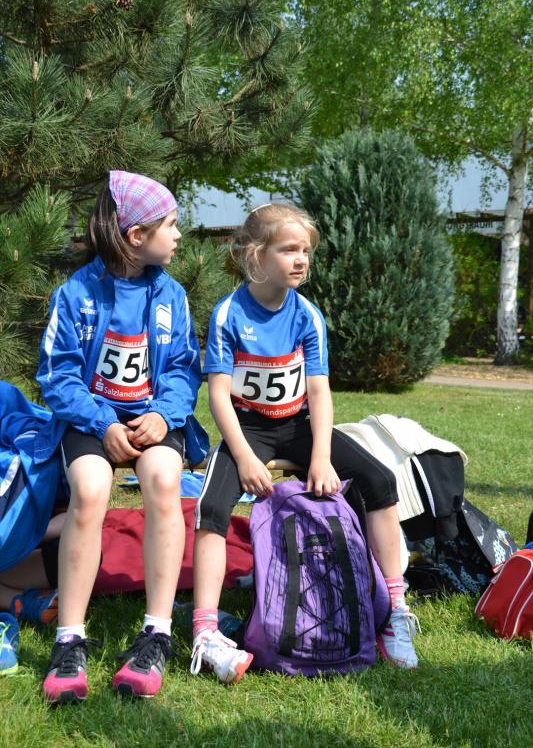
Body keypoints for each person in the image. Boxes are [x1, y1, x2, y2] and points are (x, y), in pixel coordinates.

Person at [190, 202, 419, 684]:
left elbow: (318, 392)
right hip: (248, 429)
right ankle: (205, 632)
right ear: (256, 254)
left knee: (379, 481)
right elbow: (218, 395)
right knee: (210, 505)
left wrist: (320, 456)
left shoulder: (307, 316)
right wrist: (245, 457)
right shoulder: (228, 313)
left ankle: (393, 610)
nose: (301, 260)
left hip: (298, 427)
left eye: (306, 251)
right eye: (288, 249)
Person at [35, 171, 205, 703]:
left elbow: (183, 368)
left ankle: (157, 632)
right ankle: (70, 638)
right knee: (89, 490)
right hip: (93, 422)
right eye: (171, 225)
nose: (179, 235)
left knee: (164, 481)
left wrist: (164, 415)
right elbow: (58, 375)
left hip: (153, 420)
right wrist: (102, 423)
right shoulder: (75, 294)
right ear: (136, 235)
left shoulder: (172, 295)